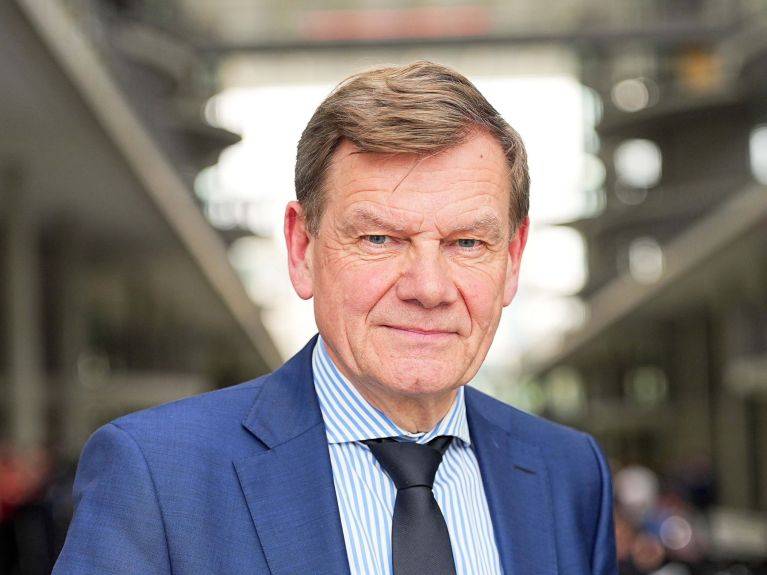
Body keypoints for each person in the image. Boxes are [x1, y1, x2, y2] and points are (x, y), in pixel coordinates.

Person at [53, 61, 617, 574]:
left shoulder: (569, 474)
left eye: (467, 242)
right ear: (302, 249)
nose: (428, 288)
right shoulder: (157, 476)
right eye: (379, 239)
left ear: (512, 259)